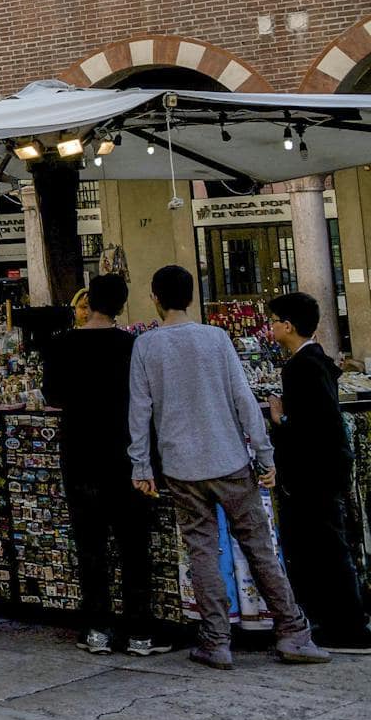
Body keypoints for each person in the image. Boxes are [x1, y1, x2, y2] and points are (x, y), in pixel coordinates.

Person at [129, 265, 328, 668]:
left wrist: (140, 466)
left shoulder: (146, 346)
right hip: (231, 460)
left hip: (182, 467)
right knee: (259, 547)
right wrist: (266, 455)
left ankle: (216, 641)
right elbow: (243, 401)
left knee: (202, 551)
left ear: (155, 298)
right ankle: (291, 632)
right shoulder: (216, 338)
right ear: (191, 297)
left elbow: (139, 410)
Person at [41, 274, 167, 656]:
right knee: (134, 546)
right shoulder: (134, 346)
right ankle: (140, 632)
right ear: (122, 305)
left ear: (89, 302)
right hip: (127, 454)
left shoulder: (61, 344)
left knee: (90, 545)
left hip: (80, 454)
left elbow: (52, 395)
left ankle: (97, 629)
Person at [266, 291, 371, 653]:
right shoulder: (313, 362)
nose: (271, 327)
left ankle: (349, 628)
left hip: (314, 475)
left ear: (288, 326)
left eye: (275, 321)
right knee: (326, 547)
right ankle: (341, 622)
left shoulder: (301, 367)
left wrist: (280, 420)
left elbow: (312, 426)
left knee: (327, 549)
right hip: (324, 471)